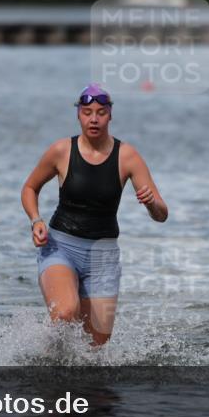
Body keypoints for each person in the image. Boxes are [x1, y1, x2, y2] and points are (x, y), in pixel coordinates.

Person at [21, 84, 168, 345]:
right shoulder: (61, 151)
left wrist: (150, 204)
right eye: (87, 112)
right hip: (60, 247)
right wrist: (36, 220)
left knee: (96, 349)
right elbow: (30, 188)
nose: (94, 119)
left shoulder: (128, 157)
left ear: (110, 115)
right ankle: (44, 367)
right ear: (78, 115)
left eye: (101, 112)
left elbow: (161, 214)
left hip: (103, 256)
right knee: (66, 313)